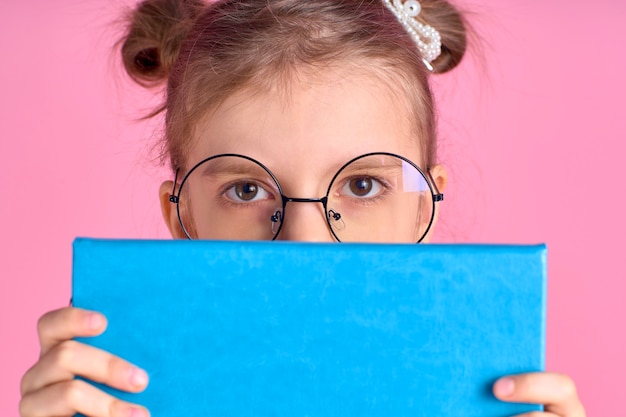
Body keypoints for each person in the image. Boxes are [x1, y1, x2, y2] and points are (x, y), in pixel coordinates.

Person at [18, 0, 586, 416]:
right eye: (246, 190)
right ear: (181, 217)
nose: (305, 241)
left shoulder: (491, 392)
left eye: (363, 186)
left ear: (425, 207)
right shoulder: (126, 393)